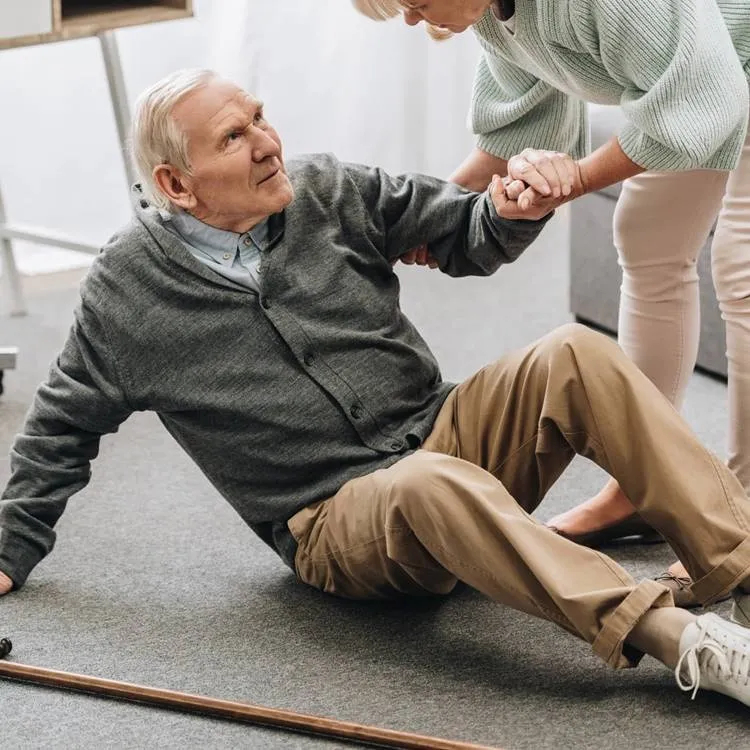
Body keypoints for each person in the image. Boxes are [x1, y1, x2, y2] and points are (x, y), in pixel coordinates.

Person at [1, 69, 750, 708]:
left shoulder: (324, 188)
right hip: (335, 523)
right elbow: (62, 425)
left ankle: (738, 560)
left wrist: (514, 205)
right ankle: (682, 642)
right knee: (426, 481)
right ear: (175, 184)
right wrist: (8, 548)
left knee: (575, 353)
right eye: (234, 138)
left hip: (442, 435)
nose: (268, 143)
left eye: (259, 118)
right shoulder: (127, 292)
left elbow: (465, 229)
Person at [353, 0, 750, 606]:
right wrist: (416, 222)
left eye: (414, 2)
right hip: (707, 80)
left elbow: (697, 101)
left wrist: (573, 179)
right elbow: (522, 130)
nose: (413, 20)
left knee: (741, 266)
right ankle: (648, 487)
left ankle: (742, 509)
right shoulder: (491, 13)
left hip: (725, 69)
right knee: (647, 237)